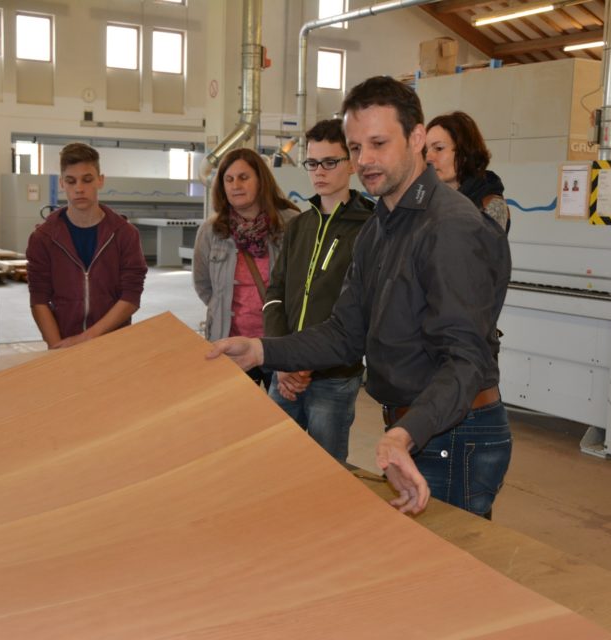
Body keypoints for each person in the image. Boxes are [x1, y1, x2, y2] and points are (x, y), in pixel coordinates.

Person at [207, 76, 512, 518]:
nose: (364, 159)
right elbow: (345, 333)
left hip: (454, 435)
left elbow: (466, 360)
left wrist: (407, 433)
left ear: (417, 138)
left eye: (378, 143)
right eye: (355, 147)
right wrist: (261, 350)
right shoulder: (379, 228)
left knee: (446, 560)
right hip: (415, 429)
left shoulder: (450, 228)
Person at [262, 118, 374, 462]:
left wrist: (306, 361)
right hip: (285, 372)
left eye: (329, 162)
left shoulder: (370, 229)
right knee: (274, 462)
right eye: (312, 163)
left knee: (327, 470)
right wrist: (282, 357)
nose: (319, 172)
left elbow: (360, 309)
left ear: (352, 163)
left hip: (333, 376)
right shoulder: (299, 225)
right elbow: (275, 292)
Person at [193, 148, 298, 391]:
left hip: (278, 345)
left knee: (282, 412)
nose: (236, 186)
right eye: (228, 179)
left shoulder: (290, 223)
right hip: (231, 344)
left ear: (261, 181)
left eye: (243, 177)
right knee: (235, 412)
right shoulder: (211, 231)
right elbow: (203, 285)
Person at [26, 143, 147, 349]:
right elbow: (39, 298)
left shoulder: (125, 234)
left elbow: (131, 296)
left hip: (113, 343)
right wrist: (57, 347)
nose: (79, 188)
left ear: (100, 180)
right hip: (63, 342)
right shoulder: (43, 238)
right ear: (62, 183)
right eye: (71, 181)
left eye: (87, 179)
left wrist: (87, 338)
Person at [425, 111, 510, 232]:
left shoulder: (491, 205)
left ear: (464, 153)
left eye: (439, 148)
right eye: (426, 151)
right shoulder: (426, 199)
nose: (428, 158)